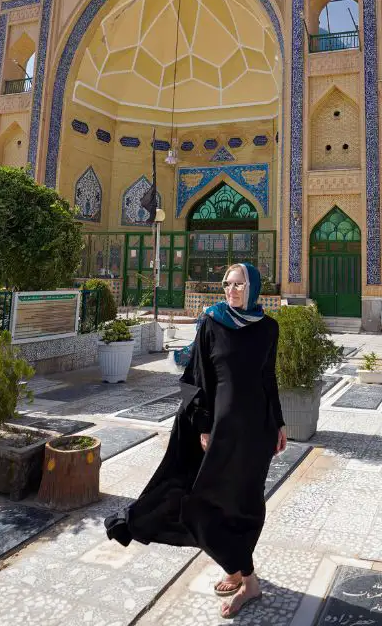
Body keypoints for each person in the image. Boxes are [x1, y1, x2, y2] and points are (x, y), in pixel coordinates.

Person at [104, 261, 287, 619]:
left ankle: (241, 575)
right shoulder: (213, 323)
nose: (230, 291)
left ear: (252, 288)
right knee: (201, 504)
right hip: (218, 433)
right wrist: (203, 424)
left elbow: (268, 379)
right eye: (226, 284)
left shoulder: (268, 327)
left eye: (237, 284)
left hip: (255, 433)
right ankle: (242, 572)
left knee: (243, 503)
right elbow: (197, 376)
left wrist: (279, 423)